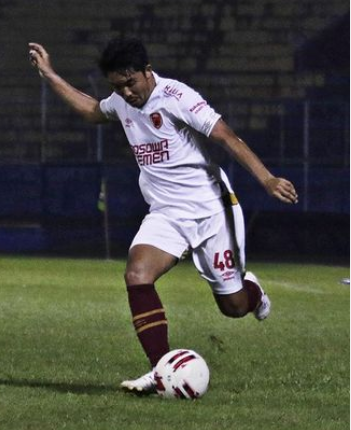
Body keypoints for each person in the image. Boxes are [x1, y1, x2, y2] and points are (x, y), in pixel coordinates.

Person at [28, 38, 298, 393]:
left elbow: (226, 137)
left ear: (147, 71)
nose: (125, 93)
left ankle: (254, 293)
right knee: (137, 274)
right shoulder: (122, 102)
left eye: (130, 83)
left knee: (233, 307)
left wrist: (267, 179)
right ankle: (160, 371)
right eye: (117, 86)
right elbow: (92, 111)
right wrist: (50, 74)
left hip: (210, 211)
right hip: (167, 213)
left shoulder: (176, 97)